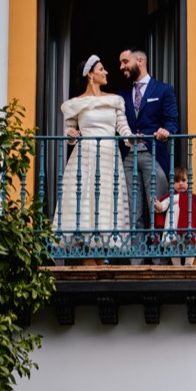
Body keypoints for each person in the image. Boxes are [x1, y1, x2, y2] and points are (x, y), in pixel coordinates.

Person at [58, 55, 133, 265]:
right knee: (84, 204)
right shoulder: (76, 104)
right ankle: (87, 260)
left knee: (104, 204)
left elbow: (122, 127)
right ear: (91, 75)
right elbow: (69, 131)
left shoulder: (114, 100)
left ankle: (99, 258)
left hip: (109, 156)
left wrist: (130, 139)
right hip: (85, 157)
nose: (106, 72)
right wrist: (70, 135)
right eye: (102, 69)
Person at [118, 46, 178, 263]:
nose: (121, 67)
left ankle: (159, 260)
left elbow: (172, 122)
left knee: (157, 208)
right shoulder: (121, 96)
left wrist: (166, 131)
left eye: (125, 62)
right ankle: (136, 259)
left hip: (153, 154)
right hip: (128, 156)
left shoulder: (163, 90)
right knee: (133, 211)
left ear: (140, 61)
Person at [154, 167, 196, 266]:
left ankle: (188, 264)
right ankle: (176, 265)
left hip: (187, 225)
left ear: (188, 182)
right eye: (177, 181)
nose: (180, 183)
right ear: (172, 184)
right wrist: (157, 205)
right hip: (173, 226)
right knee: (173, 245)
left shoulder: (192, 198)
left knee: (190, 244)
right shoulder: (171, 197)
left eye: (183, 180)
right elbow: (162, 207)